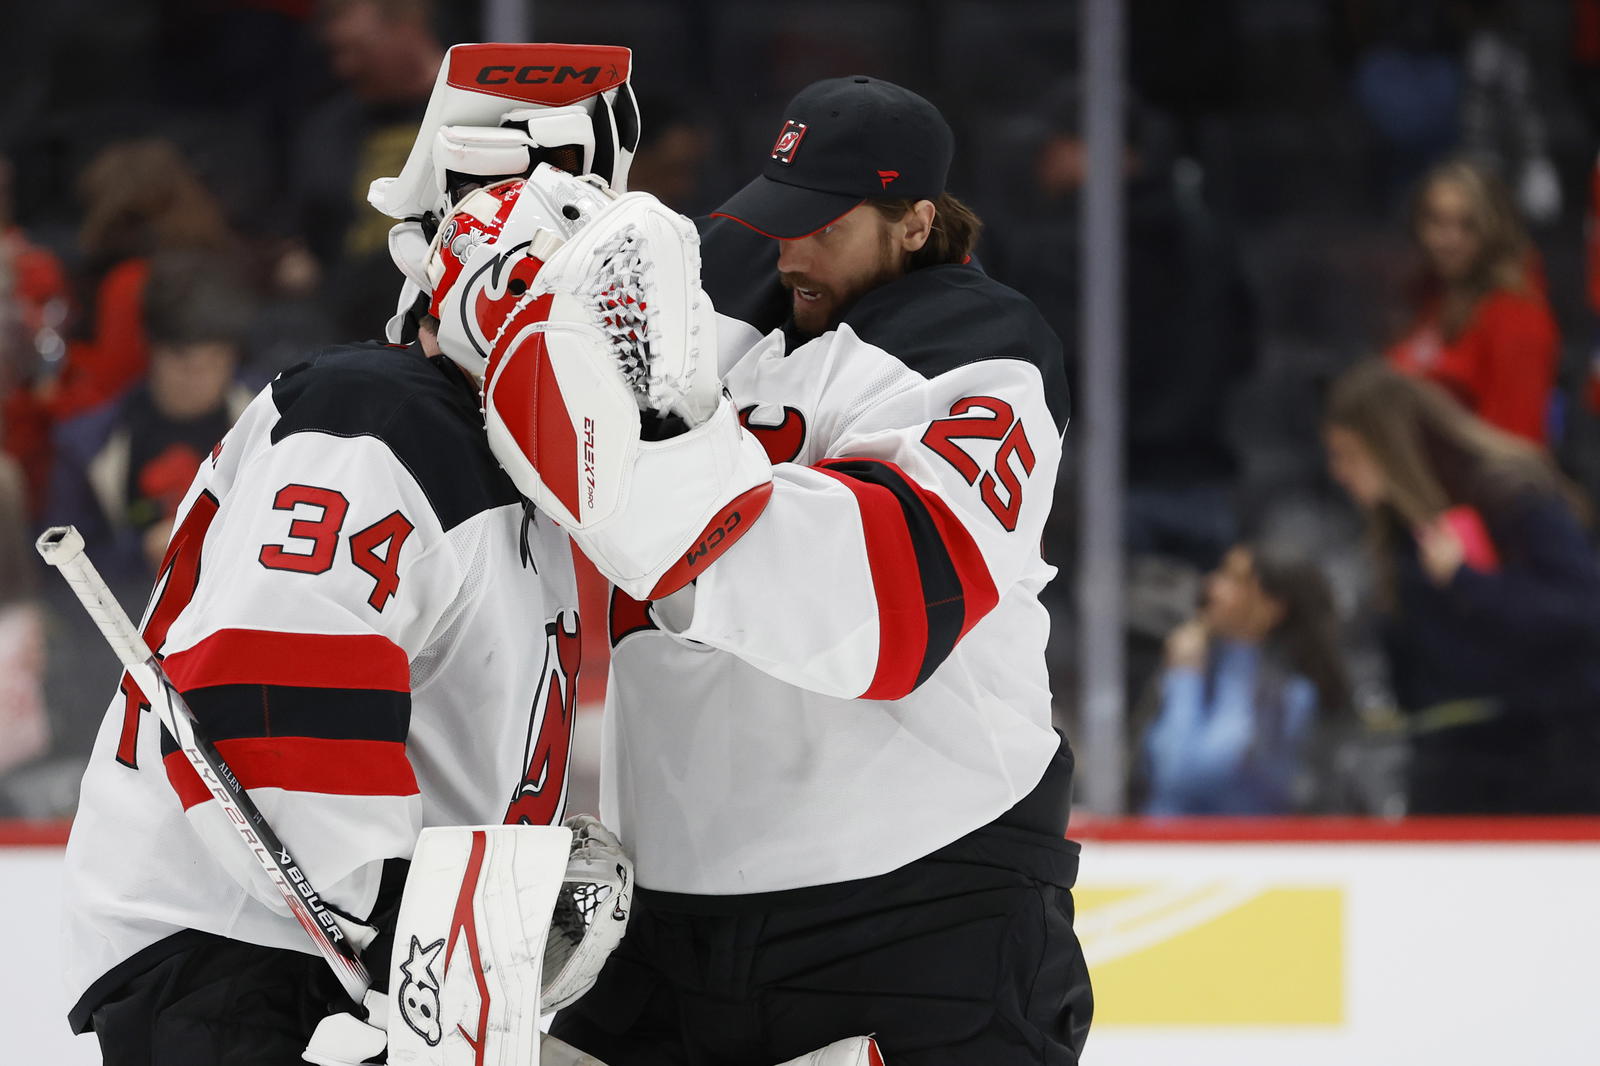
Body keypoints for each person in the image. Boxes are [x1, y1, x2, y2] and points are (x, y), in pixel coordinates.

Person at [54, 43, 652, 1062]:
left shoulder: (503, 470)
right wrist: (421, 920)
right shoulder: (372, 422)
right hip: (255, 968)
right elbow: (273, 700)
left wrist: (494, 913)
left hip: (350, 969)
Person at [537, 74, 1092, 1065]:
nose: (790, 249)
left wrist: (657, 464)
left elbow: (887, 609)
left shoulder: (987, 355)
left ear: (915, 223)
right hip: (666, 923)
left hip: (917, 914)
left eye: (822, 226)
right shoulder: (714, 282)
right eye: (777, 218)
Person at [1324, 361, 1600, 814]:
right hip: (1449, 758)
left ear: (1389, 445)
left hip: (1548, 755)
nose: (1339, 472)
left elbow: (1580, 614)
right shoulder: (1399, 533)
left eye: (1348, 454)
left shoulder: (1509, 496)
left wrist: (1468, 582)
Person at [45, 252, 257, 585]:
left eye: (215, 360)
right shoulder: (89, 444)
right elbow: (61, 568)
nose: (198, 377)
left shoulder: (277, 423)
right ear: (153, 349)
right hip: (139, 615)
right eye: (182, 360)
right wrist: (141, 554)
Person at [1139, 543, 1352, 815]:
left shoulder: (1291, 693)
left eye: (1234, 580)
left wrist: (1185, 680)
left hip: (1240, 848)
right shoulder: (1200, 662)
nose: (1211, 587)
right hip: (1157, 846)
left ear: (1271, 606)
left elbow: (1179, 776)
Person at [1385, 157, 1558, 445]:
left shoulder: (1516, 315)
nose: (1448, 239)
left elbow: (1518, 449)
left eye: (1468, 226)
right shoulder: (1430, 300)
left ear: (1494, 229)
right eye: (1435, 221)